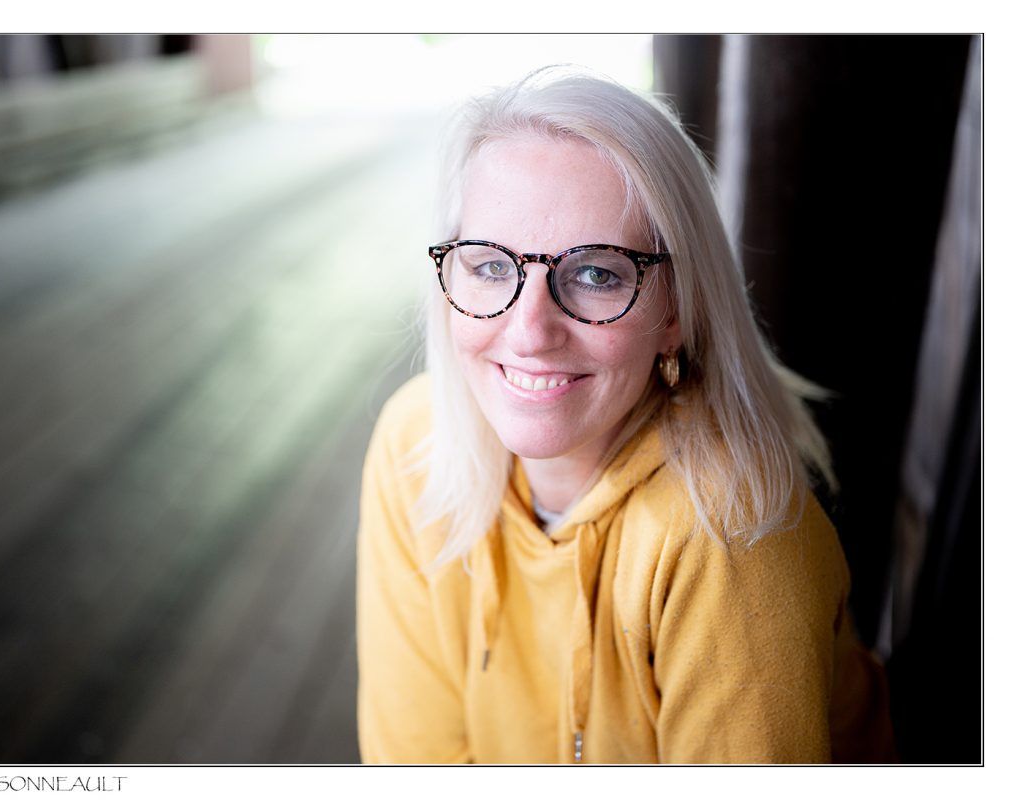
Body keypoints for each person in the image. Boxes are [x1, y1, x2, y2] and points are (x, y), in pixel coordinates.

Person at [355, 66, 895, 764]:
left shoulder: (727, 533)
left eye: (595, 272)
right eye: (490, 265)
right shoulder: (415, 443)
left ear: (674, 311)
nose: (529, 331)